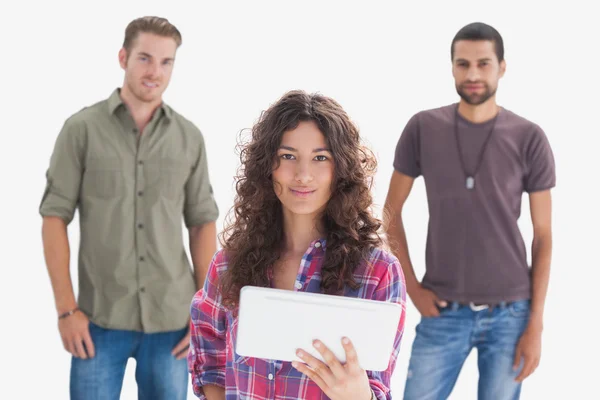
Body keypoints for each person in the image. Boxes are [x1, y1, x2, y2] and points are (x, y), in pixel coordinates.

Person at [39, 16, 219, 400]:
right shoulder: (81, 130)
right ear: (123, 57)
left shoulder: (189, 138)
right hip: (98, 320)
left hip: (173, 321)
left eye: (166, 62)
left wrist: (204, 312)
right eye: (145, 58)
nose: (155, 72)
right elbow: (54, 218)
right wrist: (66, 311)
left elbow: (202, 223)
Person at [188, 90, 406, 400]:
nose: (303, 175)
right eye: (288, 156)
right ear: (268, 165)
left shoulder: (379, 272)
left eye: (320, 158)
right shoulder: (227, 264)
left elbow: (378, 388)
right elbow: (210, 362)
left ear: (340, 168)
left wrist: (358, 395)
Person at [384, 22, 555, 400]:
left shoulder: (529, 137)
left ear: (502, 67)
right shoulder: (423, 127)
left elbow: (543, 235)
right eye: (463, 64)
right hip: (442, 311)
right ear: (452, 68)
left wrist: (535, 324)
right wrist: (413, 288)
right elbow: (390, 212)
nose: (473, 74)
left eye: (483, 64)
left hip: (511, 314)